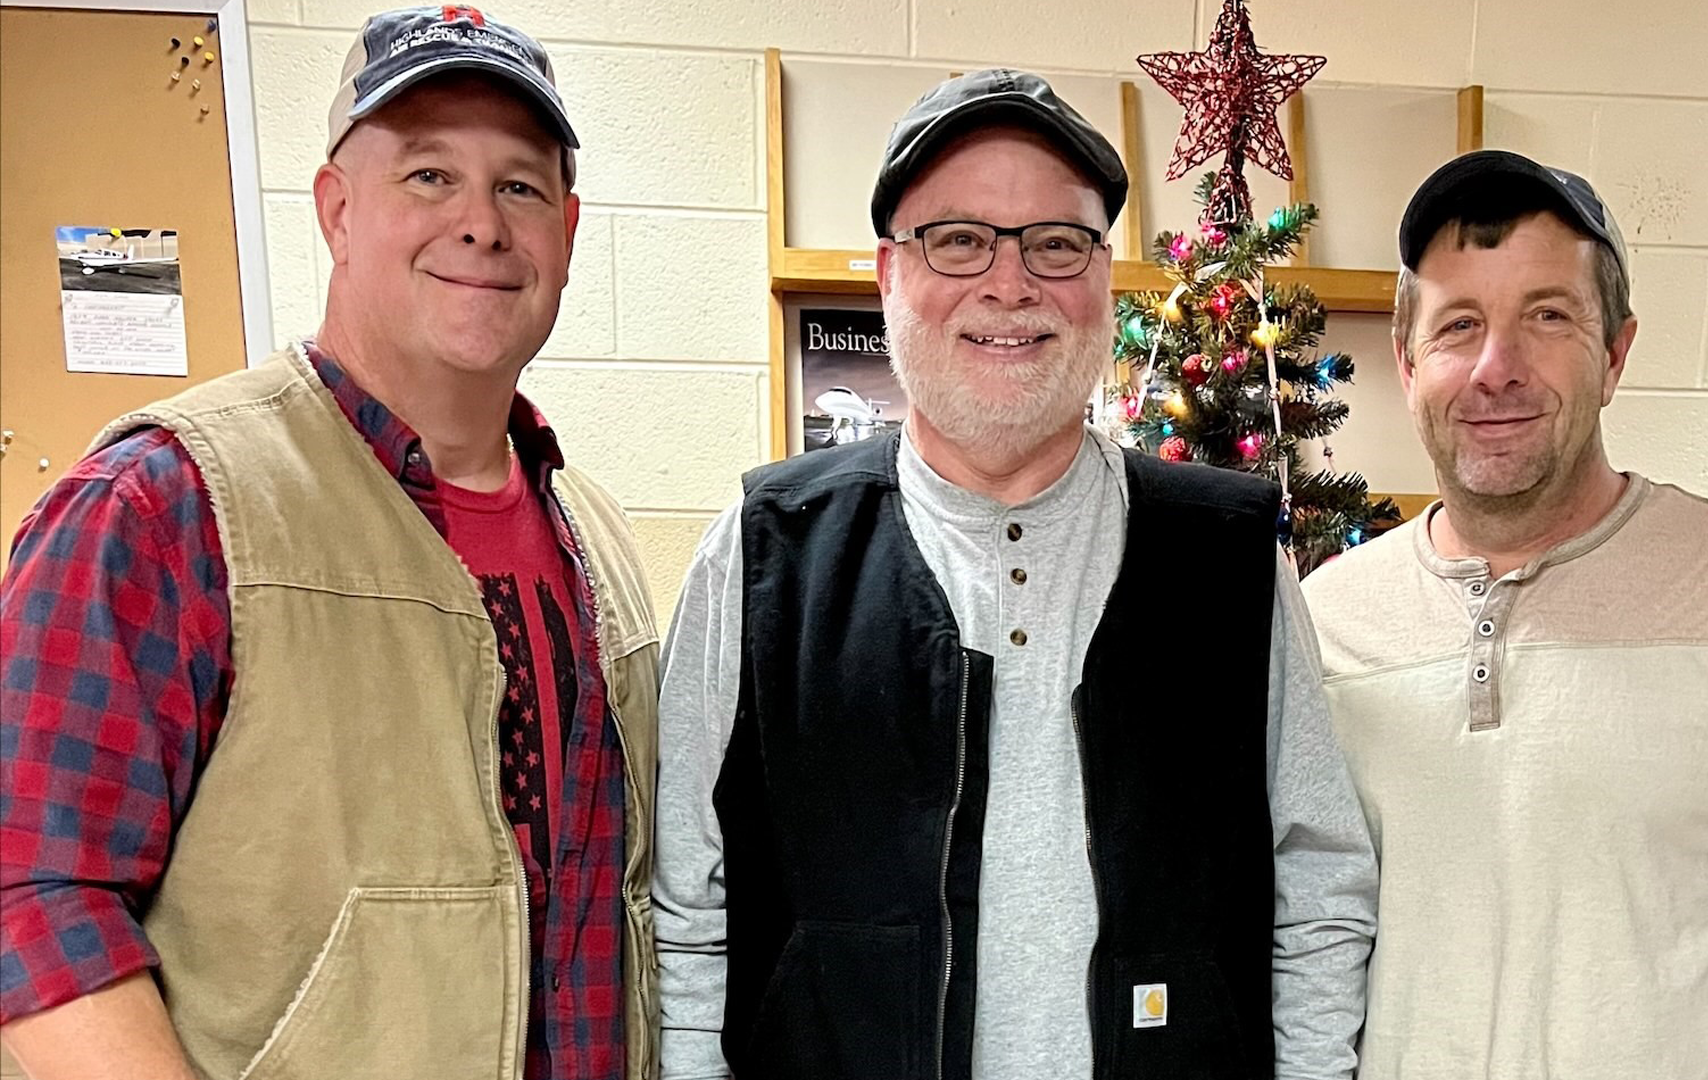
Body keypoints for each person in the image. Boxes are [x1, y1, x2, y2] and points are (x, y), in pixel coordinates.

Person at [652, 68, 1378, 1080]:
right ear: (889, 273)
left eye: (1057, 243)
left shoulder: (1228, 556)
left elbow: (1319, 882)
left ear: (1102, 275)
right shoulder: (767, 549)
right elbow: (688, 902)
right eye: (958, 240)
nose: (1009, 283)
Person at [0, 8, 661, 1079]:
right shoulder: (164, 508)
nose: (482, 224)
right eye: (430, 175)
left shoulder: (599, 538)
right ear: (337, 210)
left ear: (569, 233)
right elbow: (33, 894)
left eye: (520, 187)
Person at [1299, 149, 1708, 1079]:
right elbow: (1310, 928)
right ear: (1408, 364)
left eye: (1548, 316)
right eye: (1459, 325)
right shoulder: (1325, 621)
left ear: (1615, 354)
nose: (1497, 368)